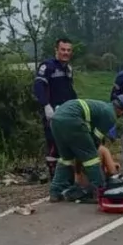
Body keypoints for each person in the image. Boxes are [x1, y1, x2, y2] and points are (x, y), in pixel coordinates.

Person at [48, 95, 123, 203]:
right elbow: (95, 140)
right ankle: (98, 191)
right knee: (91, 158)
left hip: (56, 120)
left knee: (66, 159)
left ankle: (55, 192)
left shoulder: (101, 107)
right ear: (121, 111)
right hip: (72, 120)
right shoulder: (110, 115)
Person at [34, 38, 78, 181]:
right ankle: (54, 177)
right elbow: (38, 87)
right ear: (56, 50)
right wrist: (46, 105)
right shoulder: (47, 66)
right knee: (53, 143)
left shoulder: (68, 69)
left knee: (68, 142)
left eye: (68, 50)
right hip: (52, 112)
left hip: (68, 112)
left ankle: (67, 174)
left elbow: (70, 90)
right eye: (63, 49)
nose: (65, 53)